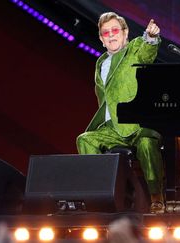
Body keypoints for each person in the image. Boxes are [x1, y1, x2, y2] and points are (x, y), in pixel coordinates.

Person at [76, 12, 165, 214]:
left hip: (136, 125)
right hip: (111, 128)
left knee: (146, 143)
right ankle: (97, 195)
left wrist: (151, 38)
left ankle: (157, 198)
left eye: (115, 30)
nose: (111, 35)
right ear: (101, 38)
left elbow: (147, 53)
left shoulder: (133, 49)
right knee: (85, 139)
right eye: (105, 32)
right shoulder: (100, 63)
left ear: (125, 33)